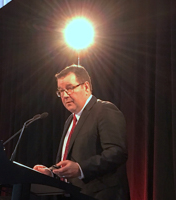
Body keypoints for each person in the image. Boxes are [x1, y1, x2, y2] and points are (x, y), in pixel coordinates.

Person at [34, 64, 129, 200]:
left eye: (70, 88)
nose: (65, 95)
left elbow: (117, 152)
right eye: (60, 91)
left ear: (86, 86)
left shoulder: (104, 110)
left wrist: (81, 169)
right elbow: (70, 161)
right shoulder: (70, 121)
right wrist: (51, 172)